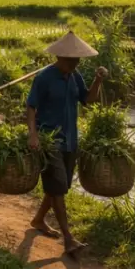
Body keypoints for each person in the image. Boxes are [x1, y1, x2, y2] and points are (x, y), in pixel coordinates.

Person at [25, 31, 107, 255]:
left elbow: (87, 100)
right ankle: (69, 239)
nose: (76, 62)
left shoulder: (75, 76)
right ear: (59, 57)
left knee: (60, 187)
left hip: (70, 140)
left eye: (77, 59)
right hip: (49, 140)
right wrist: (33, 135)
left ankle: (39, 219)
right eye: (72, 59)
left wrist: (97, 81)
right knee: (58, 188)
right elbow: (31, 107)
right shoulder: (44, 78)